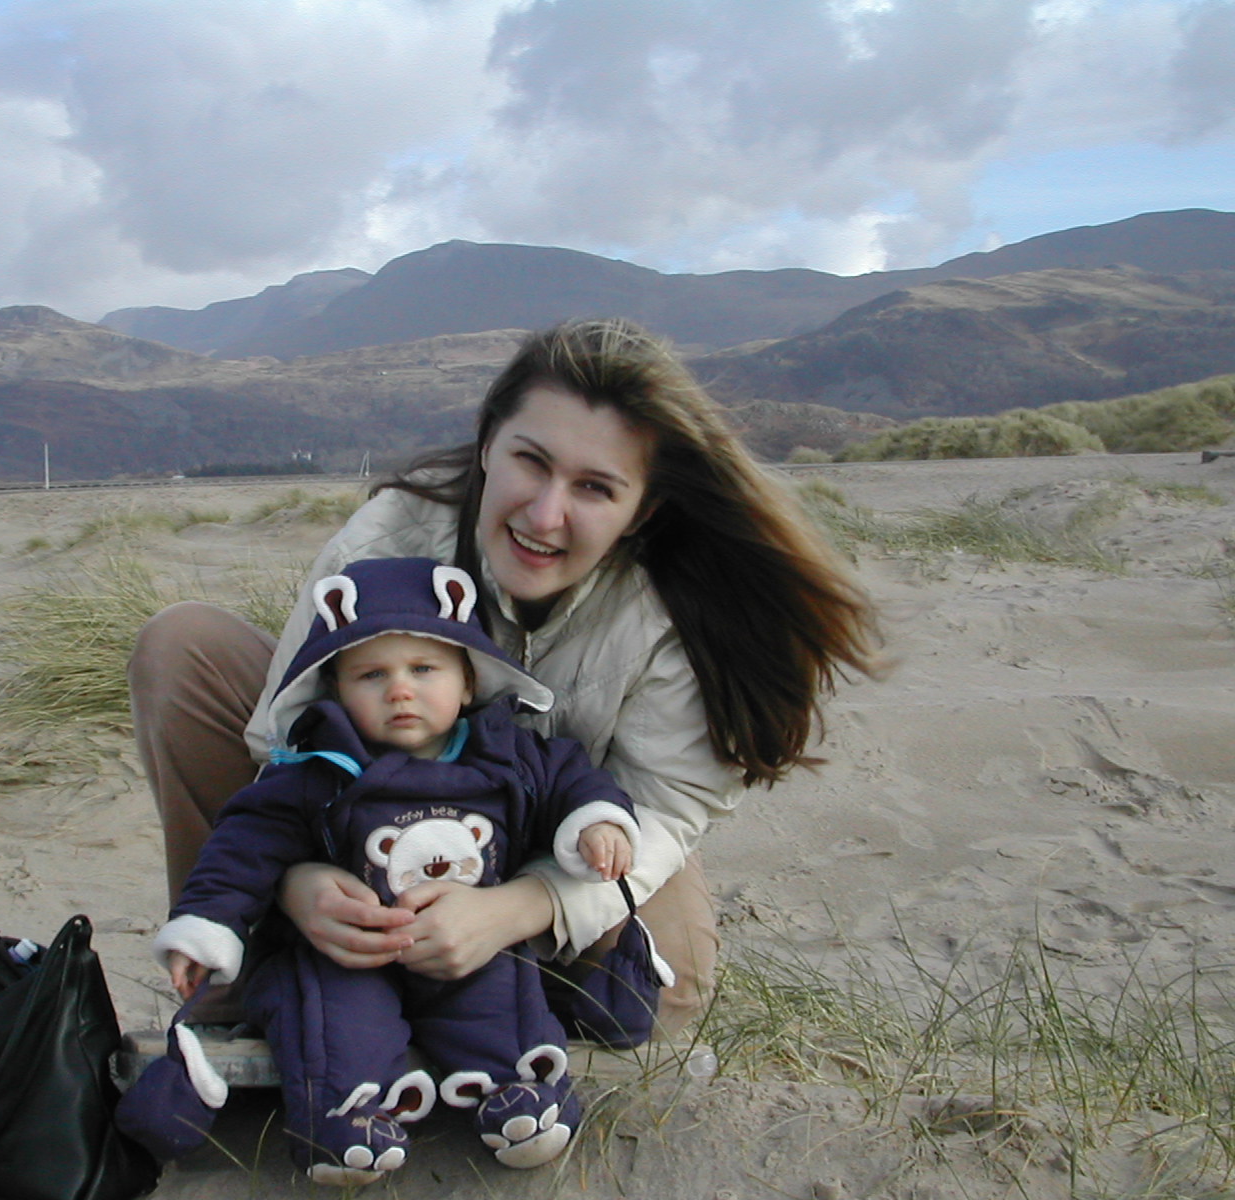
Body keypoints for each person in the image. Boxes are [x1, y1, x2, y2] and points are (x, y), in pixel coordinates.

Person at [129, 317, 881, 1045]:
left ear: (641, 507)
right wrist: (298, 882)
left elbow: (662, 805)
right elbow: (285, 738)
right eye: (532, 462)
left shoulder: (680, 602)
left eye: (595, 487)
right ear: (488, 442)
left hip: (565, 832)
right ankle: (232, 973)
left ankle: (490, 1003)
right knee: (184, 647)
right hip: (360, 823)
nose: (546, 515)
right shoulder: (390, 536)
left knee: (666, 989)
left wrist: (517, 909)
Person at [151, 556, 644, 1183]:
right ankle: (344, 1119)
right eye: (371, 675)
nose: (400, 690)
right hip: (349, 953)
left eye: (424, 669)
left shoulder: (508, 753)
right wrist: (205, 925)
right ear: (335, 690)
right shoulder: (316, 771)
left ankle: (520, 1094)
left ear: (469, 681)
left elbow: (573, 781)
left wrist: (597, 821)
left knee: (501, 998)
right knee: (330, 1020)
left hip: (467, 943)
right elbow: (242, 846)